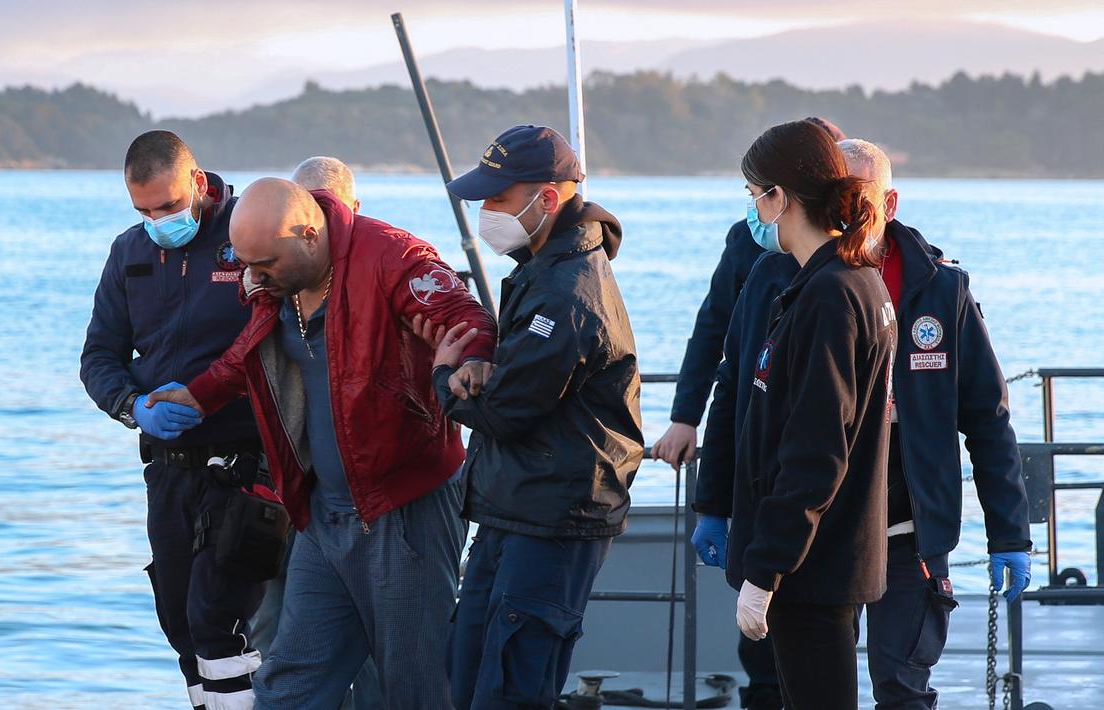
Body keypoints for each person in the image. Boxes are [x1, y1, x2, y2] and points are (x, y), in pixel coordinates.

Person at [696, 139, 1034, 710]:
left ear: (888, 203)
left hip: (907, 525)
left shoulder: (938, 289)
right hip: (814, 532)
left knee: (901, 685)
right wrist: (714, 503)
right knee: (797, 681)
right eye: (835, 191)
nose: (844, 206)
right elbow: (735, 388)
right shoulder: (773, 277)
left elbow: (987, 416)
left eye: (858, 194)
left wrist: (1009, 533)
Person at [147, 177, 497, 708]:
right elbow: (252, 350)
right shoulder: (276, 277)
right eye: (247, 265)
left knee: (412, 684)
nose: (254, 277)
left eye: (265, 264)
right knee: (289, 683)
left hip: (404, 509)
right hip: (323, 512)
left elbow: (467, 318)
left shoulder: (392, 256)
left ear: (308, 236)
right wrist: (199, 395)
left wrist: (471, 359)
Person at [435, 124, 645, 710]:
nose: (486, 212)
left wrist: (444, 377)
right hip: (517, 504)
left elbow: (508, 411)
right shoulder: (543, 269)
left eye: (498, 199)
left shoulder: (566, 292)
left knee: (511, 687)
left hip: (555, 516)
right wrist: (486, 369)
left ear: (547, 199)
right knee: (467, 669)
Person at [79, 130, 267, 709]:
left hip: (244, 462)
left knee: (218, 619)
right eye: (144, 212)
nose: (158, 222)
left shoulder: (247, 232)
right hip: (166, 468)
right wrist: (133, 407)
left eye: (167, 206)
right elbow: (98, 357)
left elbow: (281, 339)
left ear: (198, 181)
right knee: (179, 620)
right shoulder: (129, 252)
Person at [726, 120, 896, 710]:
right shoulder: (849, 282)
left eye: (755, 195)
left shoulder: (831, 295)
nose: (754, 210)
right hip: (821, 558)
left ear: (780, 198)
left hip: (810, 568)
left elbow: (816, 450)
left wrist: (766, 570)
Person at [675, 117, 844, 710]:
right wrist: (686, 421)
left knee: (817, 658)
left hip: (822, 513)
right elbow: (719, 344)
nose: (754, 207)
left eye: (757, 194)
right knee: (768, 663)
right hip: (759, 473)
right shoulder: (758, 258)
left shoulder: (842, 284)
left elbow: (822, 438)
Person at [247, 156, 383, 710]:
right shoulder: (273, 285)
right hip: (282, 495)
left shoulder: (382, 276)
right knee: (276, 645)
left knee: (376, 654)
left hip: (364, 508)